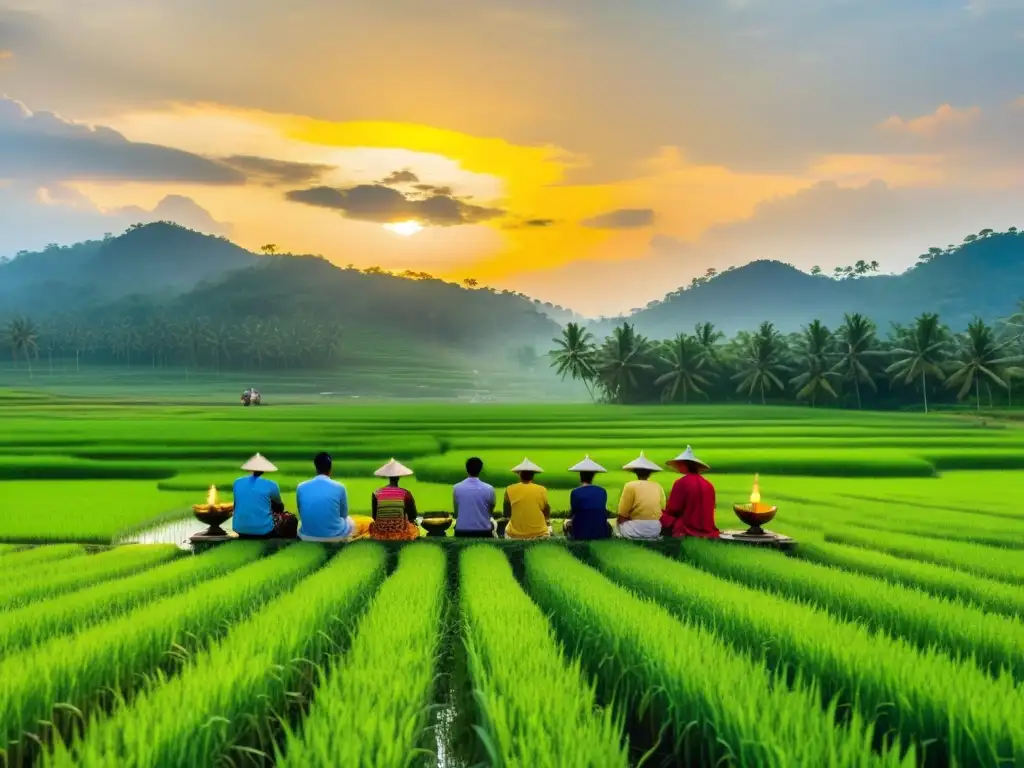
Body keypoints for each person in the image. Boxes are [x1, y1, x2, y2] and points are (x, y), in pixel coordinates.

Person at [296, 452, 371, 542]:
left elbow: (301, 512)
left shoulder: (301, 487)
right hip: (336, 536)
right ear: (330, 468)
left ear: (316, 468)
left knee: (300, 523)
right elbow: (344, 515)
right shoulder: (339, 487)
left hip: (307, 536)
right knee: (368, 522)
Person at [231, 453, 298, 539]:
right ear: (263, 470)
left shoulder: (237, 482)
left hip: (239, 529)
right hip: (264, 531)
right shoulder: (271, 484)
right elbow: (279, 507)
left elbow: (236, 505)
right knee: (291, 519)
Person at [661, 446, 720, 539]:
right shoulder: (708, 484)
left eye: (679, 465)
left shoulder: (681, 482)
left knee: (662, 517)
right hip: (708, 528)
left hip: (687, 527)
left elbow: (673, 509)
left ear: (685, 465)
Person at [616, 452, 667, 540]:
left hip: (635, 528)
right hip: (655, 528)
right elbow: (663, 508)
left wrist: (619, 523)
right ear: (650, 473)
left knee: (616, 525)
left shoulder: (630, 485)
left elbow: (622, 514)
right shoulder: (657, 486)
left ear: (635, 471)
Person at [369, 458, 420, 541]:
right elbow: (413, 516)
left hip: (380, 533)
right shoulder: (405, 494)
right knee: (413, 527)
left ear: (388, 477)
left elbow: (375, 517)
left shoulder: (376, 493)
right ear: (399, 477)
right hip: (400, 532)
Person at [564, 456, 612, 540]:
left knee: (566, 523)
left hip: (580, 532)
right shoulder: (602, 491)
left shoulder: (575, 492)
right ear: (593, 477)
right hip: (600, 532)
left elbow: (574, 511)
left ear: (580, 476)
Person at [503, 458, 551, 540]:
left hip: (514, 534)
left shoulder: (509, 489)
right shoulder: (541, 489)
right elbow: (546, 510)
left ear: (519, 474)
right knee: (549, 527)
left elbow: (507, 512)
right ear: (532, 475)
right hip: (539, 533)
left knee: (507, 527)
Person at [453, 457, 497, 538]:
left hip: (461, 530)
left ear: (466, 469)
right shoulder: (489, 489)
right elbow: (490, 509)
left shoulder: (457, 488)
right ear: (480, 470)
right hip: (483, 531)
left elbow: (456, 512)